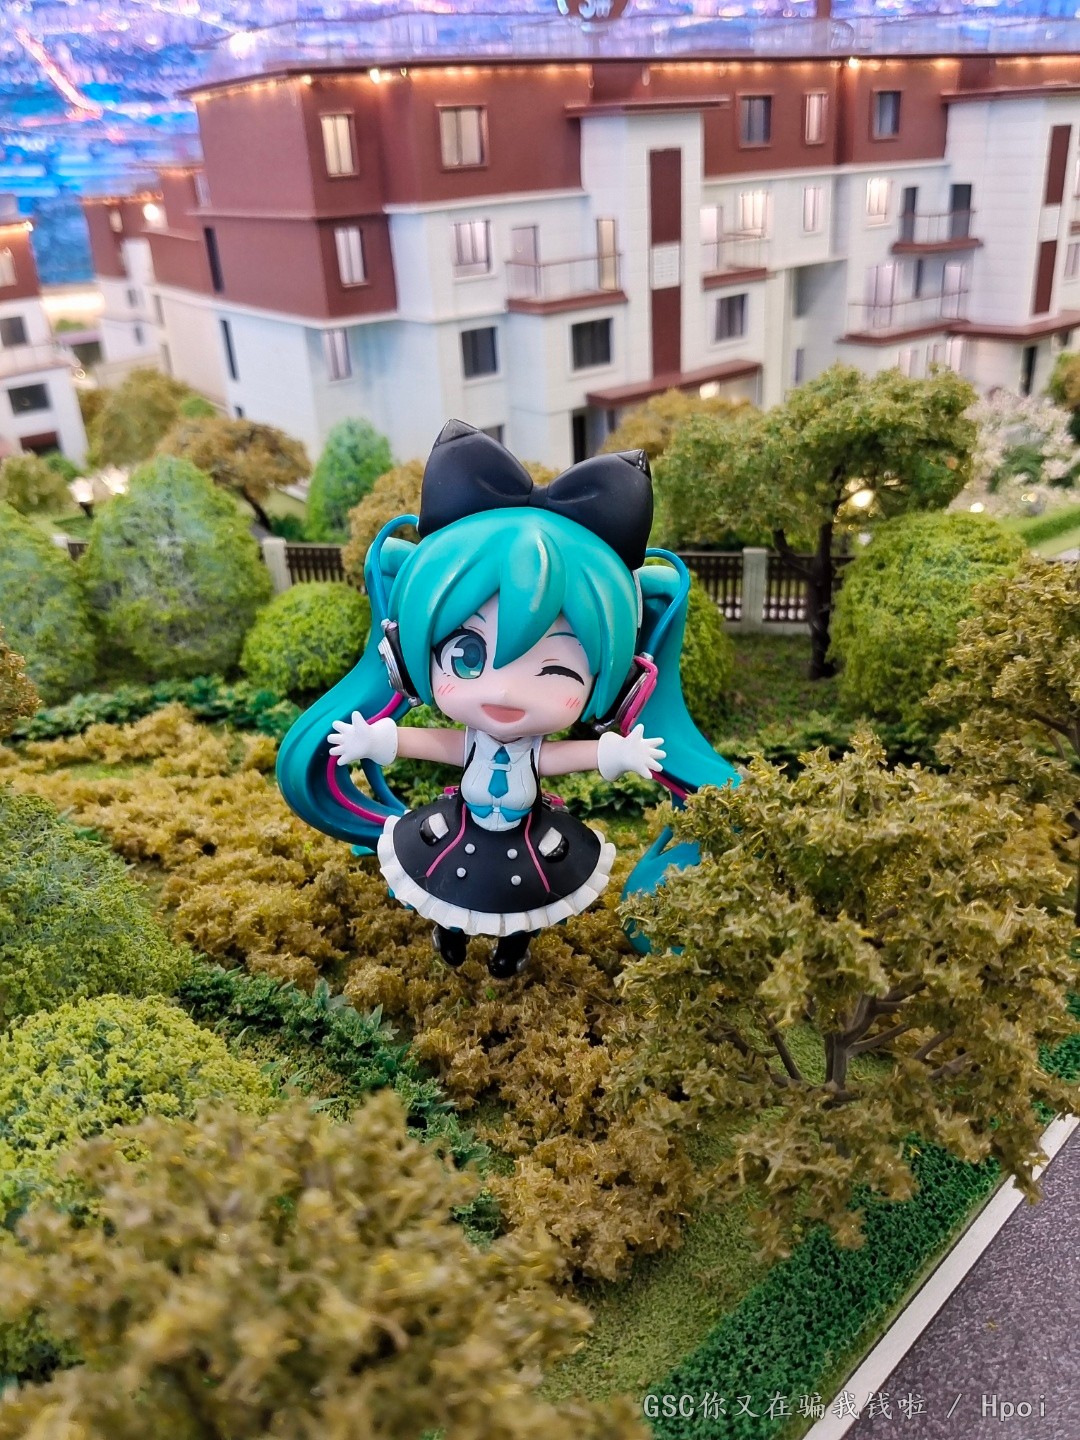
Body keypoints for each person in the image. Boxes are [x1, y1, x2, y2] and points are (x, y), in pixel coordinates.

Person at [277, 420, 739, 978]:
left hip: (525, 835)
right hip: (463, 827)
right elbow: (441, 745)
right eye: (467, 655)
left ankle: (512, 947)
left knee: (525, 899)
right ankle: (449, 931)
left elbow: (559, 757)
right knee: (445, 882)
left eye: (555, 671)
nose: (503, 690)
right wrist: (379, 739)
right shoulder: (472, 737)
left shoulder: (534, 746)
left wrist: (615, 753)